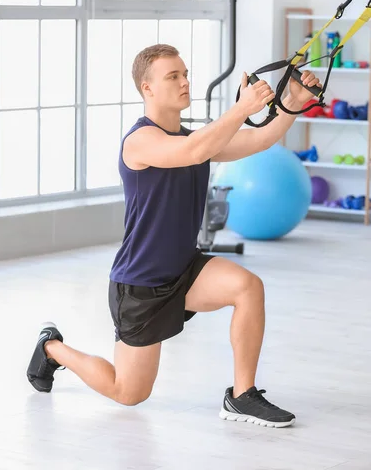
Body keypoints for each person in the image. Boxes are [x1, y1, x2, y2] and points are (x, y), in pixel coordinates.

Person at [27, 44, 321, 428]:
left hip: (185, 268)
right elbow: (193, 150)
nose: (185, 82)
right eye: (173, 77)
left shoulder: (194, 137)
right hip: (141, 282)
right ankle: (52, 348)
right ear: (147, 88)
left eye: (185, 74)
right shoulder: (140, 141)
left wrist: (293, 101)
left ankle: (242, 395)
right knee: (128, 392)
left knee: (248, 287)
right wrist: (240, 109)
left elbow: (259, 140)